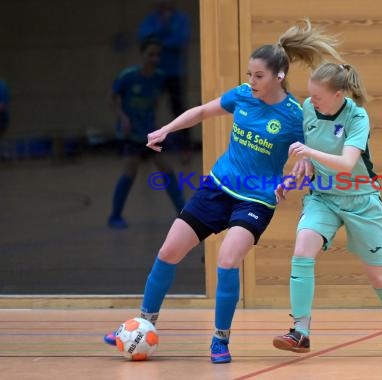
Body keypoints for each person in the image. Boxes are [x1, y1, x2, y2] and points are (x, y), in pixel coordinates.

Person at [103, 20, 342, 363]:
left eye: (258, 76)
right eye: (249, 74)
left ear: (278, 76)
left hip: (257, 199)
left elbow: (313, 155)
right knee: (169, 250)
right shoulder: (243, 96)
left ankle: (220, 340)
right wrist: (166, 130)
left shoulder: (295, 115)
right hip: (217, 188)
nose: (251, 81)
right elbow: (202, 112)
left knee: (227, 260)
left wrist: (298, 174)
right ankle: (142, 323)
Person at [272, 62, 382, 355]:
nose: (311, 101)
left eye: (317, 97)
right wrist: (292, 178)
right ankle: (300, 331)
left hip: (361, 202)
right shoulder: (308, 109)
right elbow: (308, 159)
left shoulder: (357, 117)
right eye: (310, 95)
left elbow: (346, 163)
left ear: (338, 94)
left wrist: (308, 152)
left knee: (379, 277)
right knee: (302, 250)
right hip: (323, 198)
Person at [107, 37, 186, 229]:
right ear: (142, 55)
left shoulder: (159, 77)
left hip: (150, 134)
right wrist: (123, 117)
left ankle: (184, 214)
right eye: (151, 54)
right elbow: (111, 99)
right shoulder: (128, 76)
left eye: (158, 55)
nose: (154, 58)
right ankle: (115, 216)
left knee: (167, 170)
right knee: (130, 172)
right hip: (131, 135)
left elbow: (158, 101)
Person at [138, 0, 192, 158]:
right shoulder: (152, 19)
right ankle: (146, 147)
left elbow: (180, 41)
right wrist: (163, 28)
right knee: (148, 108)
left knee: (179, 110)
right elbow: (144, 38)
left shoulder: (180, 19)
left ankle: (185, 149)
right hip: (154, 72)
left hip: (175, 71)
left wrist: (159, 39)